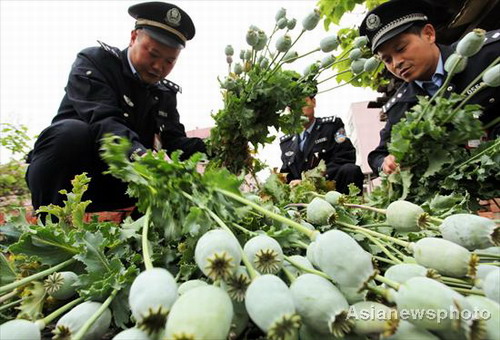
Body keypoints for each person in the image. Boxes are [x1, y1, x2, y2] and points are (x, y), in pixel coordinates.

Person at [26, 2, 206, 212]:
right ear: (133, 38)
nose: (158, 67)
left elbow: (173, 144)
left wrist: (215, 145)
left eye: (169, 61)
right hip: (70, 180)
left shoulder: (164, 94)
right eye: (153, 54)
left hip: (118, 189)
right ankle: (50, 224)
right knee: (71, 133)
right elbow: (104, 122)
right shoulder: (95, 62)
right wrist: (143, 156)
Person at [360, 0, 500, 176]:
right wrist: (386, 163)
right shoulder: (401, 106)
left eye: (401, 48)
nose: (396, 63)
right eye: (387, 60)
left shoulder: (489, 55)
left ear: (428, 34)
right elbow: (377, 156)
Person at [279, 91, 364, 194]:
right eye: (293, 106)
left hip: (332, 189)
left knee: (351, 170)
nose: (299, 109)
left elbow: (346, 156)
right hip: (302, 197)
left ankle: (353, 207)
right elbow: (285, 176)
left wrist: (309, 181)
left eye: (303, 102)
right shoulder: (286, 143)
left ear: (314, 102)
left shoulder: (333, 126)